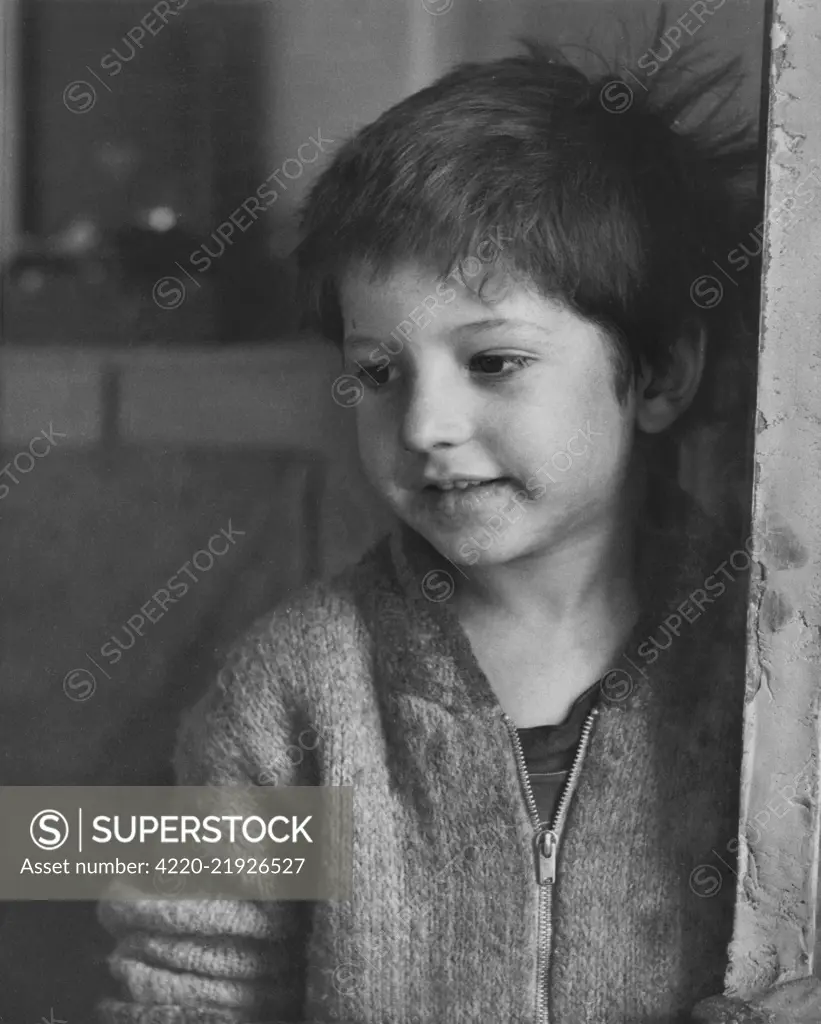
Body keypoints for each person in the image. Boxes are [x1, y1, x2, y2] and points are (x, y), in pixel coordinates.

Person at [95, 32, 821, 1024]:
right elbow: (183, 993)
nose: (425, 426)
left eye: (492, 362)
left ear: (658, 374)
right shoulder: (289, 689)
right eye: (378, 373)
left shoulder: (767, 677)